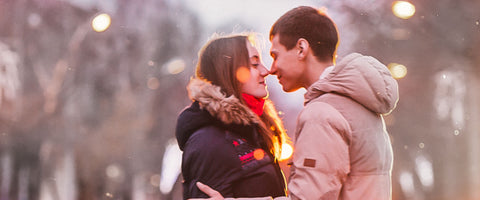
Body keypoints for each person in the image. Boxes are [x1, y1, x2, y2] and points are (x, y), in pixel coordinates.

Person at [194, 6, 399, 200]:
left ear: (301, 49)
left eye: (275, 56)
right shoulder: (361, 105)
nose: (271, 69)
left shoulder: (321, 113)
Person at [175, 33, 290, 200]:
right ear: (230, 71)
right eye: (255, 63)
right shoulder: (209, 141)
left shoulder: (248, 131)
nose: (265, 71)